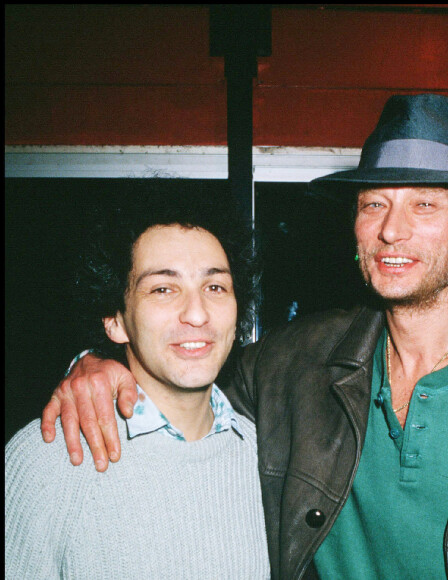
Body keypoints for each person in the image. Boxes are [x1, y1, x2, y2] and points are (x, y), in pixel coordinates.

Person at [40, 94, 448, 579]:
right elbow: (183, 383)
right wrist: (97, 361)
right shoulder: (291, 363)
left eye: (425, 204)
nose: (391, 229)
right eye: (374, 204)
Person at [5, 188, 270, 578]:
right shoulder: (49, 459)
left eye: (215, 287)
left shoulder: (267, 455)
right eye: (163, 289)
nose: (197, 313)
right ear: (116, 320)